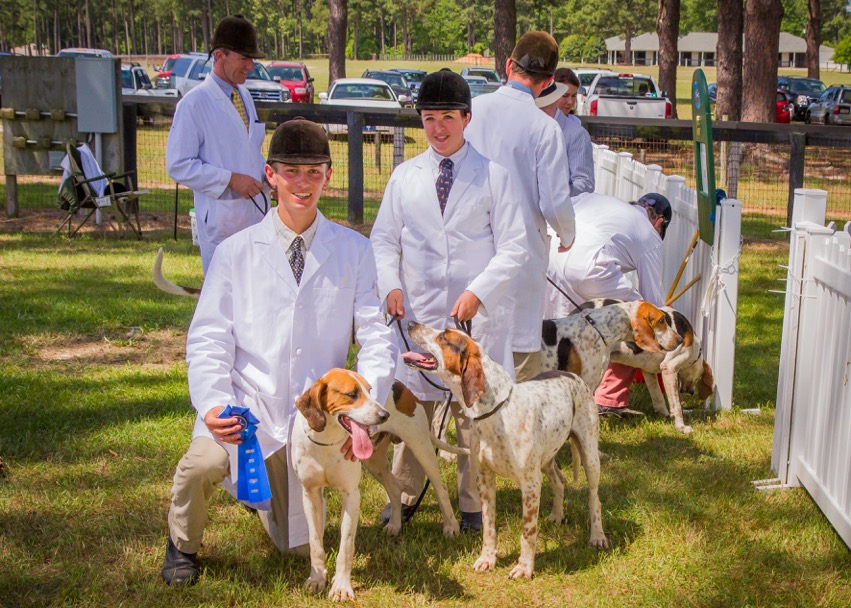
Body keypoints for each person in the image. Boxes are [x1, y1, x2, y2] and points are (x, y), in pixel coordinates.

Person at [160, 118, 399, 586]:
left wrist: (360, 414)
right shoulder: (234, 252)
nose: (302, 183)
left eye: (313, 172)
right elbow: (208, 338)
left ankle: (265, 502)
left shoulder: (355, 250)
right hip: (249, 408)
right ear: (270, 175)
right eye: (290, 171)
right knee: (202, 464)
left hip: (315, 422)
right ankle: (181, 545)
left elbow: (376, 335)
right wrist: (211, 405)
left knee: (292, 545)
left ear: (328, 176)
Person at [370, 69, 529, 532]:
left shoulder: (494, 177)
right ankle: (403, 494)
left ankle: (474, 505)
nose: (438, 128)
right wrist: (389, 286)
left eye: (447, 118)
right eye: (428, 118)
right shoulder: (404, 177)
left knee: (470, 411)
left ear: (467, 118)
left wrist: (479, 292)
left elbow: (515, 246)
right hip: (417, 312)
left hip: (471, 318)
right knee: (412, 407)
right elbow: (383, 241)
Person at [465, 31, 576, 382]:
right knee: (519, 368)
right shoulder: (546, 128)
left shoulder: (471, 111)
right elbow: (555, 201)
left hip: (470, 242)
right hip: (522, 252)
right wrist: (567, 234)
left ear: (509, 65)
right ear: (547, 83)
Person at [545, 192, 672, 416]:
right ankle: (609, 399)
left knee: (558, 329)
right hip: (589, 267)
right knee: (635, 320)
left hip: (550, 255)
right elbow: (652, 305)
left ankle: (550, 396)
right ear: (659, 222)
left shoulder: (597, 200)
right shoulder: (649, 235)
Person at [166, 15, 269, 274]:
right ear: (220, 55)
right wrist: (230, 179)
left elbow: (249, 151)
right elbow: (178, 165)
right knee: (224, 303)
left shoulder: (244, 96)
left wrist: (269, 176)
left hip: (256, 217)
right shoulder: (194, 104)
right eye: (244, 58)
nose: (251, 66)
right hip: (223, 222)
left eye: (252, 59)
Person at [551, 67, 596, 197]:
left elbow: (585, 182)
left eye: (573, 96)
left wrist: (555, 196)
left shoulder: (577, 133)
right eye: (564, 96)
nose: (570, 102)